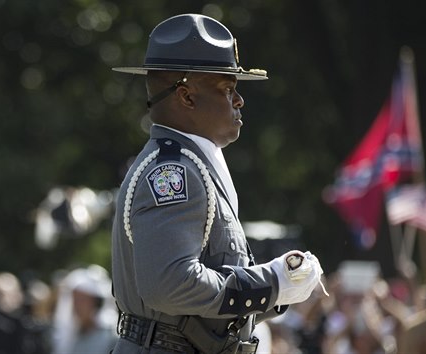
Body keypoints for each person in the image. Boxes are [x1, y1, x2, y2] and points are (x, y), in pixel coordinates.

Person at [110, 13, 323, 354]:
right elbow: (169, 285)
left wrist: (282, 285)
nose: (239, 100)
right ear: (187, 97)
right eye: (226, 88)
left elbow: (203, 309)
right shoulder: (173, 172)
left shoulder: (194, 166)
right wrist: (270, 283)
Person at [51, 265, 118, 354]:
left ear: (96, 303)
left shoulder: (112, 337)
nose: (77, 306)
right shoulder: (73, 337)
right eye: (75, 300)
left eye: (82, 300)